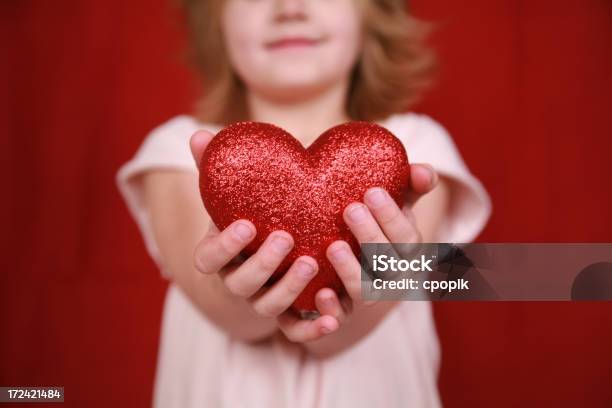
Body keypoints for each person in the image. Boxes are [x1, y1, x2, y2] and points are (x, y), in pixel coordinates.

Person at [116, 0, 492, 406]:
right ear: (214, 23)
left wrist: (368, 288)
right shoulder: (180, 151)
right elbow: (220, 308)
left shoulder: (414, 148)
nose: (289, 8)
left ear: (374, 15)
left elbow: (346, 332)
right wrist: (238, 289)